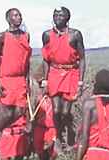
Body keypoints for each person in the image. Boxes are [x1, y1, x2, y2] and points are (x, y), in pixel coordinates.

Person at [0, 8, 31, 153]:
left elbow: (27, 61)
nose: (18, 18)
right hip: (6, 78)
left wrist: (28, 80)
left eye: (19, 15)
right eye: (15, 15)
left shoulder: (26, 36)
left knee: (20, 111)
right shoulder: (2, 37)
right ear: (8, 19)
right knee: (6, 113)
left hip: (20, 79)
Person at [41, 6, 86, 152]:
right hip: (54, 72)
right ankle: (58, 138)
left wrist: (80, 81)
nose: (58, 17)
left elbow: (83, 59)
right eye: (55, 15)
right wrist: (45, 80)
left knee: (65, 112)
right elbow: (46, 59)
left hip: (71, 73)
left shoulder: (75, 35)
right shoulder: (47, 35)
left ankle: (69, 131)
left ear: (67, 18)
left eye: (61, 15)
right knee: (55, 110)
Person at [32, 80, 57, 160]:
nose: (44, 88)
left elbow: (62, 120)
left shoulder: (57, 100)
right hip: (39, 131)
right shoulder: (38, 100)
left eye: (46, 85)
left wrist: (55, 137)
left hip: (52, 131)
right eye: (41, 86)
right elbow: (33, 118)